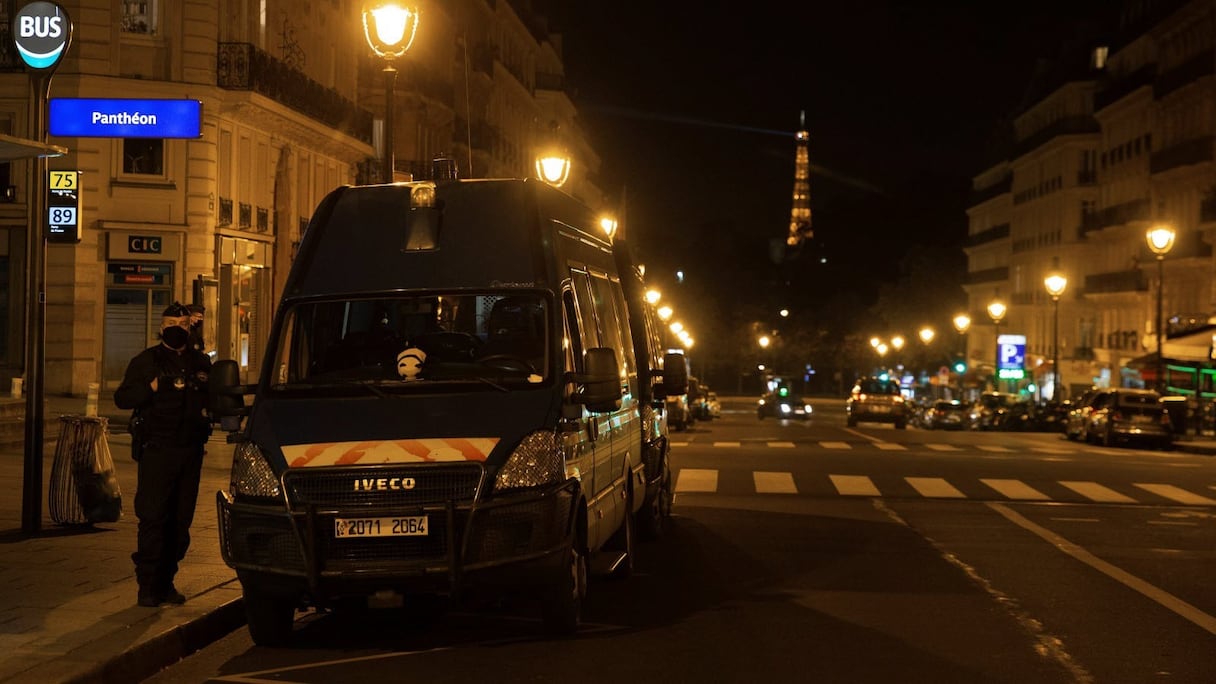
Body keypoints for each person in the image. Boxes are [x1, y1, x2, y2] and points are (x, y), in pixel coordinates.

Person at [114, 302, 213, 607]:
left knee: (180, 524)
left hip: (189, 452)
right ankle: (148, 585)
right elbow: (123, 398)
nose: (176, 329)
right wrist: (151, 387)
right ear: (161, 327)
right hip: (157, 451)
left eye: (182, 324)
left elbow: (214, 398)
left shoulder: (200, 363)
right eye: (170, 323)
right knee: (154, 519)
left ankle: (167, 580)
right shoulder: (147, 361)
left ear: (190, 327)